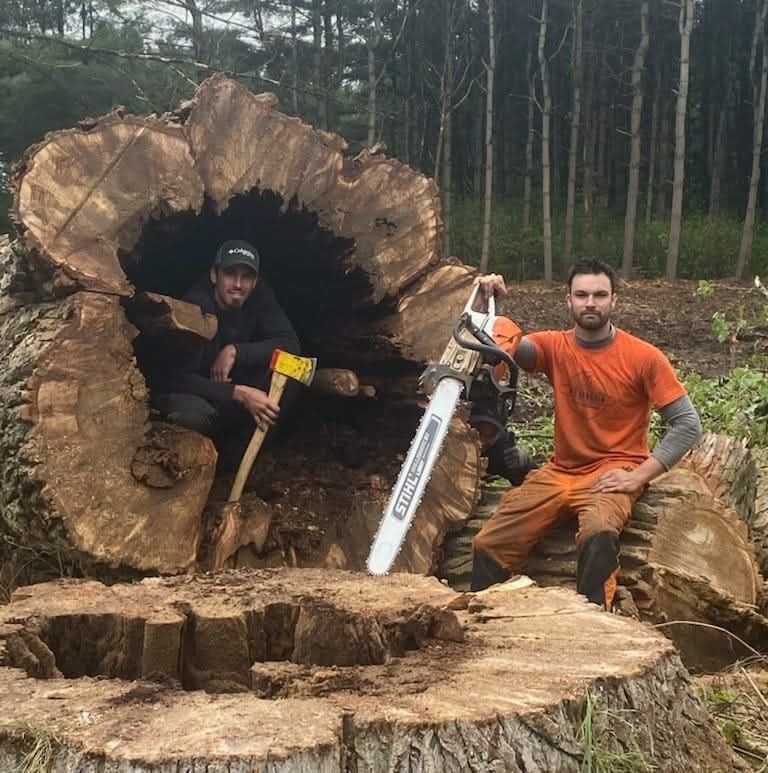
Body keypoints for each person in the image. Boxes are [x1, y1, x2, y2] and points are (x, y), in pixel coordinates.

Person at [471, 258, 702, 610]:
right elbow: (504, 346)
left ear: (614, 301)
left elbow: (687, 424)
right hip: (559, 471)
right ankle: (485, 622)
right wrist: (488, 304)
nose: (590, 302)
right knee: (488, 543)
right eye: (581, 295)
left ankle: (595, 621)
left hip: (614, 472)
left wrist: (638, 476)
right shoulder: (554, 347)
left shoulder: (643, 357)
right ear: (569, 301)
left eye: (599, 294)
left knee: (598, 532)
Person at [153, 239, 301, 454]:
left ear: (256, 281)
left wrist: (236, 352)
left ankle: (243, 459)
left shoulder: (259, 296)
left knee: (293, 368)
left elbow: (290, 344)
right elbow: (176, 378)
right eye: (230, 274)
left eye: (247, 277)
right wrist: (239, 393)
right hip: (201, 393)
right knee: (191, 416)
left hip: (235, 391)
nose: (238, 284)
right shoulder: (196, 306)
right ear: (215, 275)